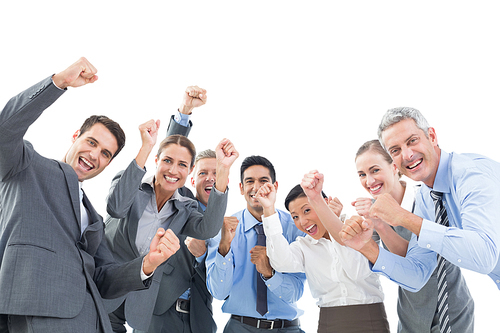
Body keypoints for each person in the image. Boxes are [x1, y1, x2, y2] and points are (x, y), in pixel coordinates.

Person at [0, 57, 180, 333]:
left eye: (105, 154)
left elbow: (103, 277)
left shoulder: (94, 216)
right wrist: (58, 82)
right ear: (76, 136)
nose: (94, 155)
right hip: (37, 311)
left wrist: (148, 263)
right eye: (91, 142)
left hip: (93, 320)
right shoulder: (26, 165)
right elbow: (5, 131)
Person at [340, 107, 500, 302]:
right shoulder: (427, 197)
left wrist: (405, 218)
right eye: (395, 150)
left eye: (412, 141)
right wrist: (367, 247)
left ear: (431, 136)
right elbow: (417, 274)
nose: (407, 155)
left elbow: (484, 257)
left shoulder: (471, 175)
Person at [103, 114, 238, 332]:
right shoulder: (130, 184)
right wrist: (147, 147)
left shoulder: (185, 209)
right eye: (167, 161)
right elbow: (116, 207)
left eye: (182, 165)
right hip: (107, 289)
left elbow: (209, 228)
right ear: (156, 161)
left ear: (188, 171)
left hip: (146, 302)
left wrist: (224, 171)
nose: (174, 170)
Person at [353, 139, 474, 332]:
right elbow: (360, 256)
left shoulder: (428, 201)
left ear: (394, 166)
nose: (369, 181)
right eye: (362, 174)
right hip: (411, 316)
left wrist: (381, 225)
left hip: (450, 311)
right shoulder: (372, 210)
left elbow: (417, 264)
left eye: (375, 170)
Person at [254, 171, 390, 333]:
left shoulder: (359, 227)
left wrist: (333, 224)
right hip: (329, 323)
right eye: (295, 217)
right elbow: (281, 263)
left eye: (306, 211)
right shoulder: (304, 245)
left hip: (371, 320)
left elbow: (357, 272)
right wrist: (269, 210)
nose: (303, 222)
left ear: (323, 203)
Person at [206, 155, 306, 332]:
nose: (256, 187)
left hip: (286, 328)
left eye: (263, 181)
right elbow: (219, 293)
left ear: (275, 186)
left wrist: (270, 273)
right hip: (240, 328)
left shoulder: (294, 227)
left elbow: (295, 293)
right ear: (241, 188)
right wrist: (224, 248)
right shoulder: (223, 228)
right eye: (250, 181)